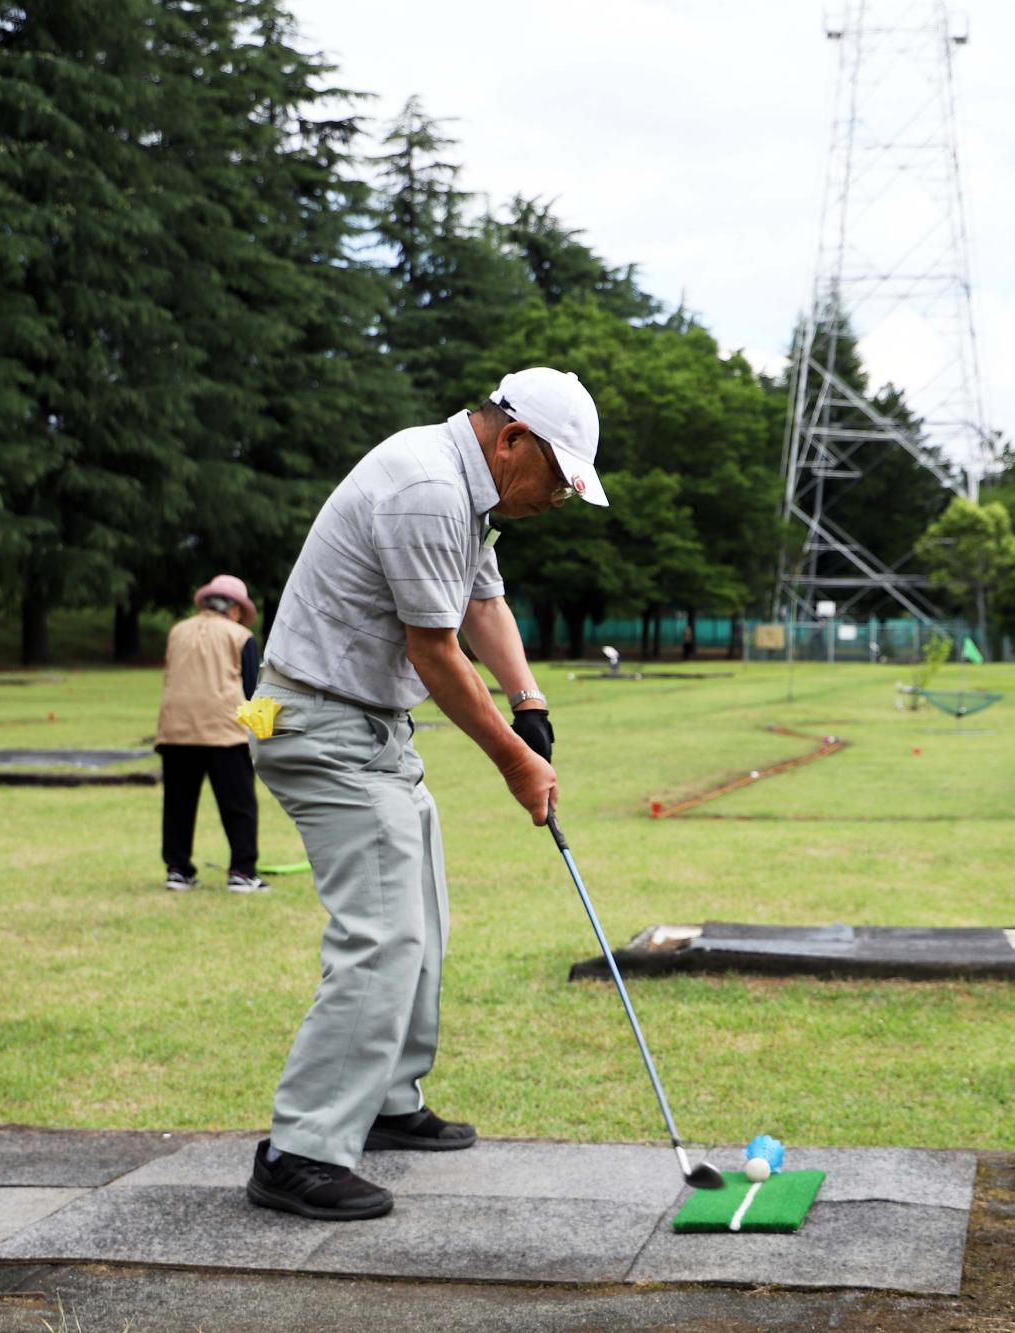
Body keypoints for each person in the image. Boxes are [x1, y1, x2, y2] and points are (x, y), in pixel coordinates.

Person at [243, 367, 599, 1222]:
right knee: (384, 932)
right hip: (320, 726)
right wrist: (517, 760)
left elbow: (484, 603)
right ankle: (300, 1150)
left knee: (423, 918)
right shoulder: (428, 488)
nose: (556, 497)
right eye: (556, 476)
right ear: (512, 439)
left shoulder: (468, 494)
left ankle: (389, 1100)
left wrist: (530, 701)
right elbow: (436, 653)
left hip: (369, 728)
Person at [156, 575, 267, 894]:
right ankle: (243, 872)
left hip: (176, 729)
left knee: (178, 804)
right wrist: (263, 734)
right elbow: (251, 689)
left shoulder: (177, 631)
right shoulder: (241, 635)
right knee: (239, 804)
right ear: (234, 608)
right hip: (225, 731)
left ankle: (177, 870)